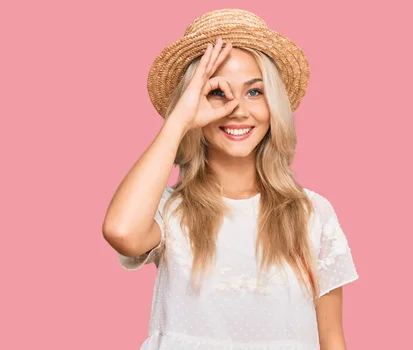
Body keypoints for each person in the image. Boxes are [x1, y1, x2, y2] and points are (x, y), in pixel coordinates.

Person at [102, 8, 359, 350]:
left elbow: (331, 338)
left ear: (274, 104)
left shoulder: (312, 213)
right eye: (216, 92)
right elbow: (122, 232)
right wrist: (179, 120)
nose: (237, 109)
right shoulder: (169, 211)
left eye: (254, 92)